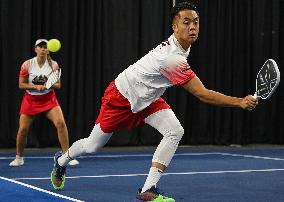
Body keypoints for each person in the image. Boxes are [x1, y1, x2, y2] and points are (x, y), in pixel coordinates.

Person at [50, 2, 258, 201]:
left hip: (148, 98)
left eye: (196, 21)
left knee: (175, 131)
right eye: (186, 22)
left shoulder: (182, 45)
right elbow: (201, 93)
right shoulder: (172, 59)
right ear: (174, 27)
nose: (192, 26)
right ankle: (61, 161)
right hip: (121, 96)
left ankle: (148, 189)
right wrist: (239, 102)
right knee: (92, 146)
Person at [9, 39, 79, 167]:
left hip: (49, 99)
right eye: (40, 47)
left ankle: (67, 156)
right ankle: (19, 157)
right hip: (30, 100)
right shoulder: (27, 64)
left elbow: (58, 85)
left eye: (45, 47)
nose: (42, 49)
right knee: (23, 130)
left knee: (61, 123)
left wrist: (47, 86)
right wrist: (35, 87)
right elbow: (21, 84)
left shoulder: (54, 65)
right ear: (35, 49)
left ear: (48, 50)